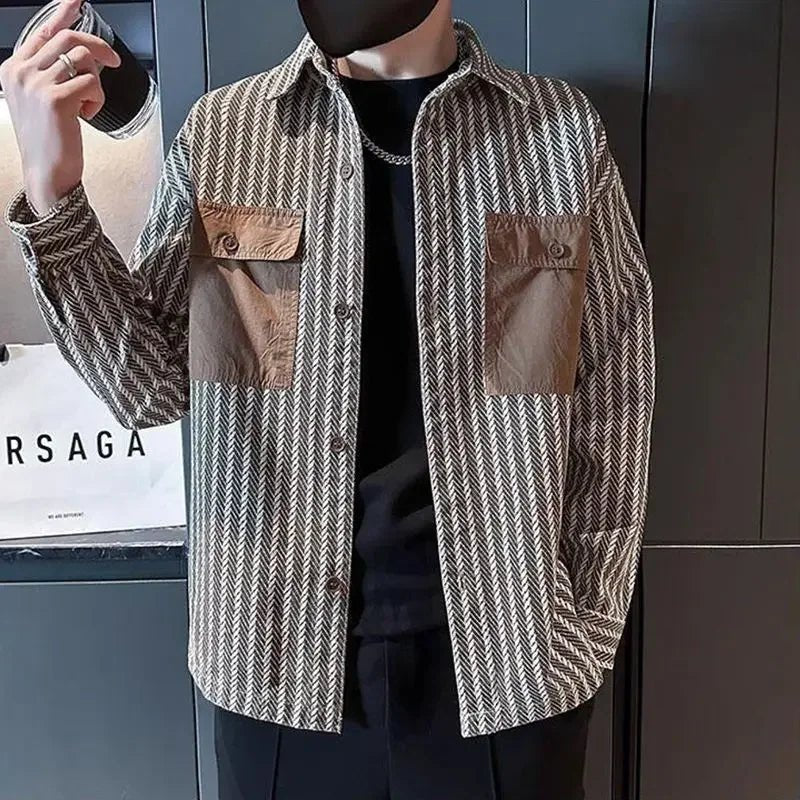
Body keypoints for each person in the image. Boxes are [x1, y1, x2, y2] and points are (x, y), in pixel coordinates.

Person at [0, 0, 656, 797]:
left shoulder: (556, 137)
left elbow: (613, 393)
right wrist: (54, 196)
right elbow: (149, 387)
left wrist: (584, 628)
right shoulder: (228, 137)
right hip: (277, 674)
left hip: (511, 674)